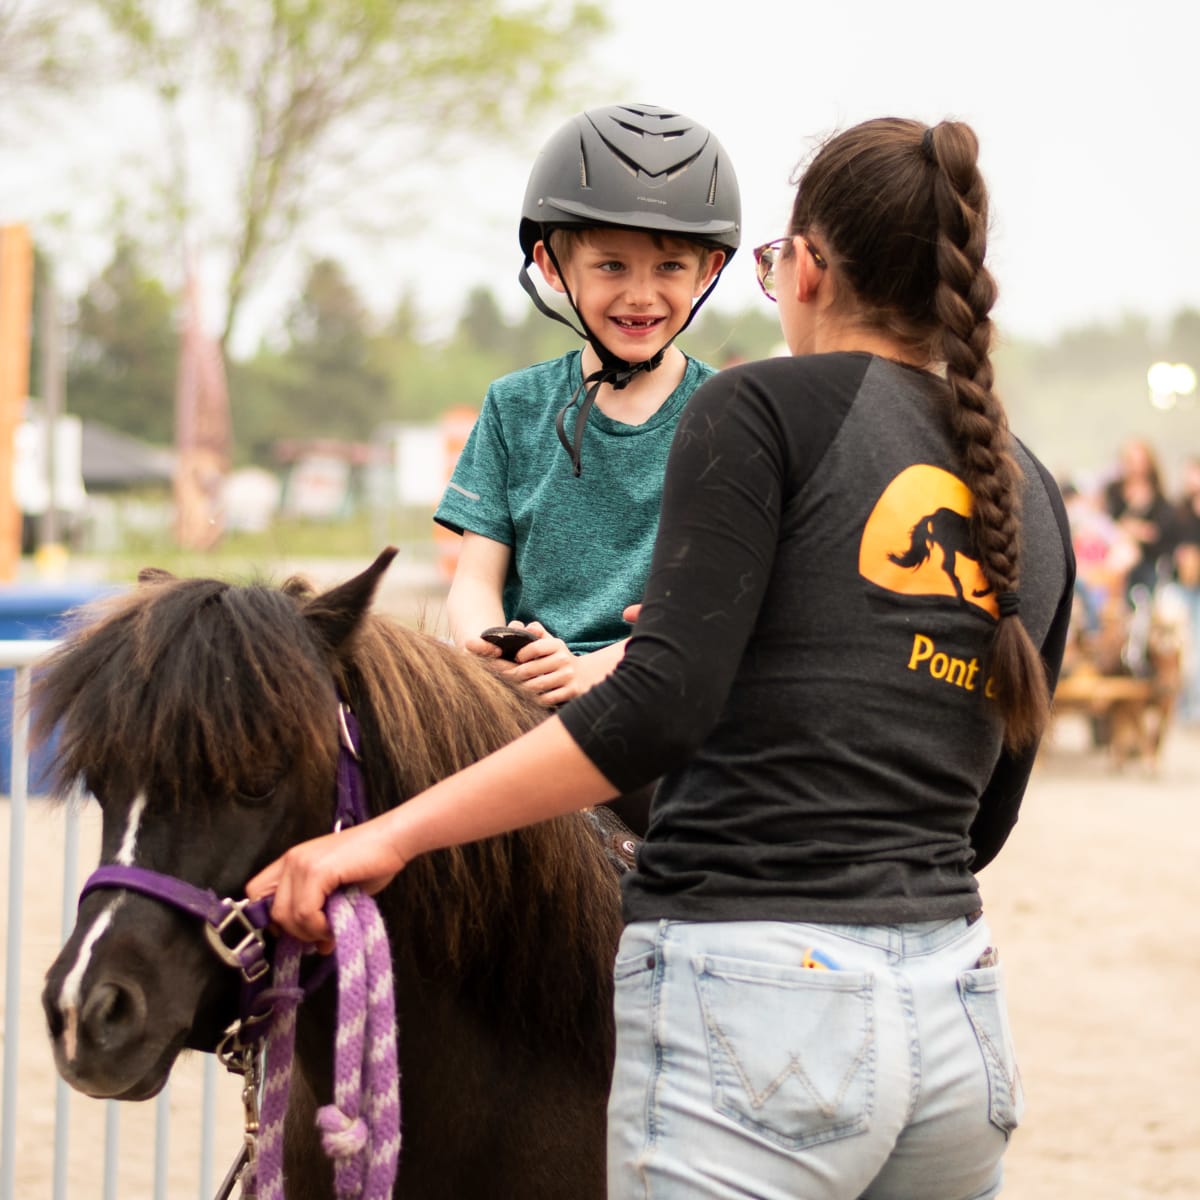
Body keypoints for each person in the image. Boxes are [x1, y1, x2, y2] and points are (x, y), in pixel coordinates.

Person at [250, 117, 1076, 1200]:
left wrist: (387, 839)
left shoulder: (757, 405)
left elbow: (655, 711)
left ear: (807, 269)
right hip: (956, 1016)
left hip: (760, 1005)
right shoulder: (1031, 485)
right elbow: (988, 817)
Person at [435, 102, 740, 712]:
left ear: (707, 271)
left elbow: (724, 601)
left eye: (670, 266)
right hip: (525, 693)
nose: (640, 294)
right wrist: (498, 652)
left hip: (659, 696)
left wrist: (598, 668)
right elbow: (474, 580)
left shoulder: (728, 415)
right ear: (552, 266)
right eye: (611, 265)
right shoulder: (513, 406)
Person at [1103, 437, 1177, 602]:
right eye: (1131, 461)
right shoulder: (1114, 490)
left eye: (1140, 461)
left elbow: (1155, 533)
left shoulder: (1158, 498)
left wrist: (1130, 527)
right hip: (1112, 552)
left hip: (1145, 561)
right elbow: (1107, 522)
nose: (1136, 467)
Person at [1173, 456, 1200, 721]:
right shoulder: (1180, 509)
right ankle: (1183, 707)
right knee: (1183, 648)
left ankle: (1194, 708)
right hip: (1183, 586)